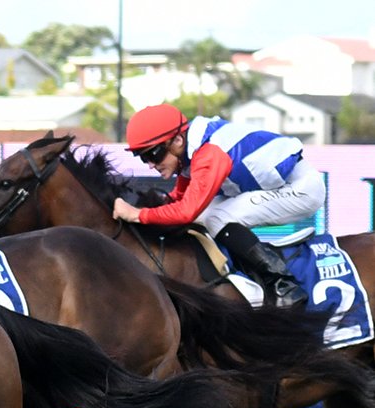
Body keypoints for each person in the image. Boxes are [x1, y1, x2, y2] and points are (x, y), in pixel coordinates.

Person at [112, 103, 320, 308]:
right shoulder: (188, 149)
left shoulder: (209, 154)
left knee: (217, 216)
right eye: (143, 157)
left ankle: (284, 285)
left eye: (153, 154)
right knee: (207, 215)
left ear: (177, 140)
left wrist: (138, 214)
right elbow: (179, 200)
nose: (150, 164)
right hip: (275, 186)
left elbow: (185, 211)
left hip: (300, 188)